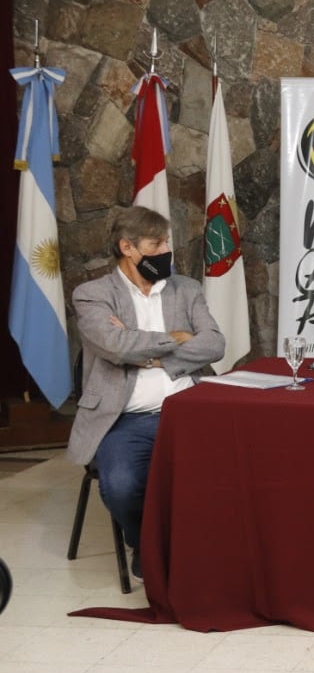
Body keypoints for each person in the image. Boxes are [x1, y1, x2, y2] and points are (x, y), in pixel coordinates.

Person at [67, 206, 225, 579]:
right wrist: (178, 339)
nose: (165, 250)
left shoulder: (186, 289)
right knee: (122, 486)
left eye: (166, 242)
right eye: (156, 244)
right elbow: (116, 345)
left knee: (232, 468)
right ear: (128, 247)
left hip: (189, 410)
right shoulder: (92, 295)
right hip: (123, 419)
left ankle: (211, 550)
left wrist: (150, 356)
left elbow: (215, 345)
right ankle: (148, 544)